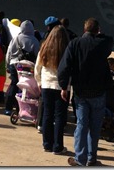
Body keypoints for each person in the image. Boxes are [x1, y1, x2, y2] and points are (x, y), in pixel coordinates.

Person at [57, 17, 113, 167]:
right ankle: (92, 157)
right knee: (95, 127)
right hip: (99, 92)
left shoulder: (74, 44)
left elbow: (64, 67)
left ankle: (80, 158)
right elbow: (110, 40)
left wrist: (64, 86)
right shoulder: (102, 44)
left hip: (81, 92)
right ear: (97, 30)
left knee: (81, 125)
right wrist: (99, 34)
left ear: (84, 30)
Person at [35, 25, 70, 154]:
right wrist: (67, 86)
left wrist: (39, 81)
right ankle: (58, 146)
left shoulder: (44, 48)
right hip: (61, 86)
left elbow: (37, 67)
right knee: (60, 117)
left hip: (46, 85)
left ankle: (46, 144)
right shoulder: (66, 50)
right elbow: (68, 70)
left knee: (47, 115)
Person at [4, 20, 40, 115]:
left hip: (15, 64)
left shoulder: (16, 38)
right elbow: (38, 56)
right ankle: (21, 108)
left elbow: (9, 52)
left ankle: (8, 108)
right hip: (28, 66)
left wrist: (7, 65)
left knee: (13, 85)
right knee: (24, 86)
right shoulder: (35, 41)